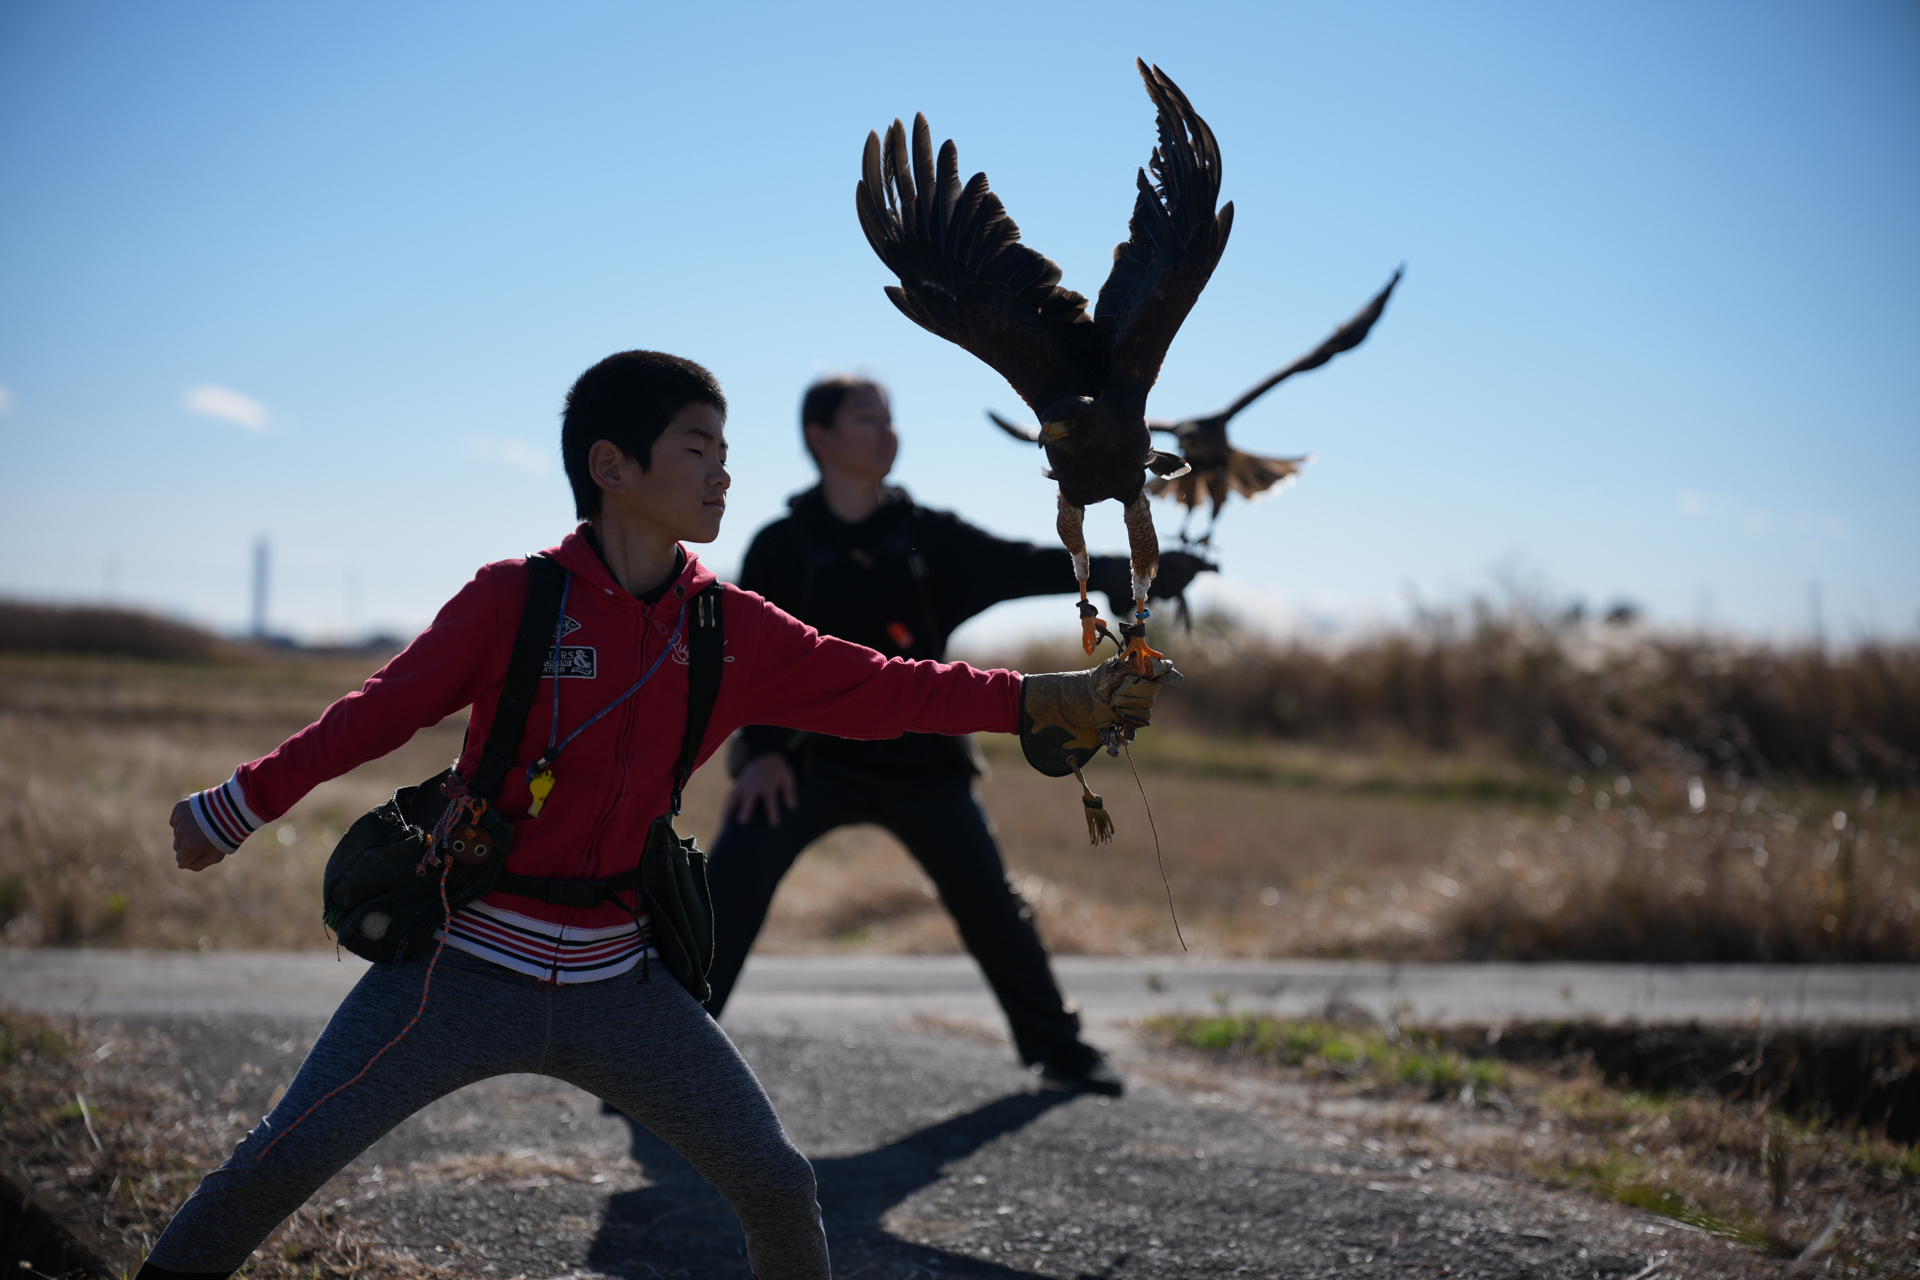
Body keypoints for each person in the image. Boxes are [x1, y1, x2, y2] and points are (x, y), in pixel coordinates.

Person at [144, 352, 1178, 1280]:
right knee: (270, 1168)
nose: (723, 469)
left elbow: (890, 685)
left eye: (727, 448)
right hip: (453, 967)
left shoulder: (729, 626)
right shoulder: (514, 599)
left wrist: (1044, 699)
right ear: (612, 465)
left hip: (620, 984)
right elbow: (374, 715)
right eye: (697, 446)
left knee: (776, 1184)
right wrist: (235, 806)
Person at [706, 376, 1208, 1095]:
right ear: (819, 438)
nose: (887, 432)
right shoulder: (782, 547)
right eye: (866, 419)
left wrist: (1145, 574)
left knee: (992, 906)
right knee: (728, 886)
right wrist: (755, 757)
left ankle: (1059, 1050)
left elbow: (1033, 564)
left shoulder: (926, 537)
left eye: (890, 417)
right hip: (805, 764)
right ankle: (666, 1058)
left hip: (922, 761)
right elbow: (746, 663)